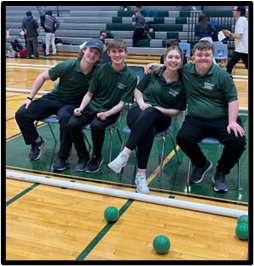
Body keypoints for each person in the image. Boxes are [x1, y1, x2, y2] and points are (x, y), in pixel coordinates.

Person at [145, 40, 246, 193]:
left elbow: (233, 99)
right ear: (193, 56)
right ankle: (202, 164)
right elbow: (171, 66)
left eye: (207, 55)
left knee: (238, 141)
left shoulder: (222, 76)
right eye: (199, 55)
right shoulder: (186, 70)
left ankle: (220, 173)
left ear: (213, 56)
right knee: (183, 138)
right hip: (196, 119)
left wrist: (232, 122)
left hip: (222, 119)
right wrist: (152, 65)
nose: (203, 58)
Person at [15, 38, 103, 171]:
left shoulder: (98, 73)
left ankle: (63, 157)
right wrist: (29, 98)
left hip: (72, 104)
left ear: (99, 57)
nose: (92, 55)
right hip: (54, 98)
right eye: (91, 51)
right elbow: (42, 77)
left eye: (97, 53)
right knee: (21, 113)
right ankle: (36, 141)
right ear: (84, 50)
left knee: (66, 118)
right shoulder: (68, 65)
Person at [108, 46, 186, 194]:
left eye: (177, 58)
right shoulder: (153, 73)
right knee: (148, 128)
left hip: (163, 117)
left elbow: (176, 111)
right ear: (165, 58)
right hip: (139, 111)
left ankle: (124, 155)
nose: (173, 60)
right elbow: (138, 91)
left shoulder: (182, 82)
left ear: (181, 61)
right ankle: (141, 176)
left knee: (151, 115)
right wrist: (142, 104)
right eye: (170, 57)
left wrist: (157, 109)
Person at [67, 37, 137, 173]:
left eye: (120, 51)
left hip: (111, 112)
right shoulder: (100, 70)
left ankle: (96, 157)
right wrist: (80, 108)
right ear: (108, 53)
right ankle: (83, 155)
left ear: (126, 53)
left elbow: (122, 104)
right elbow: (89, 94)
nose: (117, 55)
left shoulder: (131, 77)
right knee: (72, 123)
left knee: (96, 125)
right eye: (114, 51)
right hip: (92, 107)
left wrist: (107, 113)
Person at [222, 6, 248, 74]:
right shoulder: (243, 20)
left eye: (234, 10)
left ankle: (227, 81)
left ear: (239, 11)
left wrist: (229, 34)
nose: (233, 11)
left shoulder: (241, 20)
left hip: (241, 49)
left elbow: (239, 36)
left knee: (230, 64)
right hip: (243, 48)